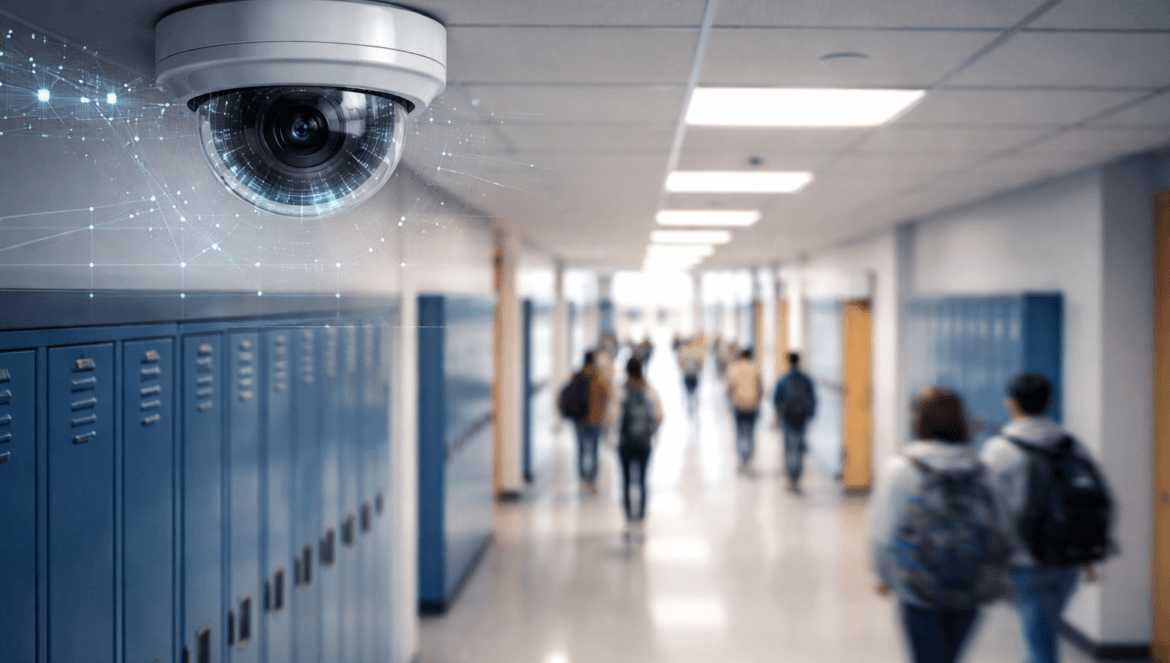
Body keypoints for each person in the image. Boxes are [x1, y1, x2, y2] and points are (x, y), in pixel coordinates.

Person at [870, 387, 1011, 663]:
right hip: (970, 585)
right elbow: (1002, 528)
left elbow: (882, 532)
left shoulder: (901, 467)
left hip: (918, 587)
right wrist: (1000, 578)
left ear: (917, 420)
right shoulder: (982, 470)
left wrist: (884, 576)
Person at [980, 373, 1112, 663]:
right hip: (1069, 560)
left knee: (1041, 648)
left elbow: (987, 512)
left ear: (1011, 405)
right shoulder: (1071, 445)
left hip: (1025, 563)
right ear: (1050, 403)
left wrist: (990, 563)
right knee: (1044, 635)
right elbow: (1089, 499)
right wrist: (1088, 554)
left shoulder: (998, 450)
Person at [616, 356, 663, 523]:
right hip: (644, 442)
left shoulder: (620, 391)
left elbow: (612, 417)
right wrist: (652, 431)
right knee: (642, 479)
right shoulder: (650, 390)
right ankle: (641, 514)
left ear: (627, 370)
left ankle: (629, 513)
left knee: (626, 479)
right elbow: (659, 415)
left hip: (624, 442)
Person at [558, 351, 611, 494]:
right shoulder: (600, 377)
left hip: (579, 419)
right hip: (595, 420)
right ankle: (592, 481)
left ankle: (582, 480)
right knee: (593, 451)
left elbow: (565, 392)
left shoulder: (576, 375)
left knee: (581, 450)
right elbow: (608, 393)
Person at [772, 352, 817, 492]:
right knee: (798, 448)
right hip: (801, 419)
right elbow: (812, 399)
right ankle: (797, 478)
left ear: (788, 362)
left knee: (789, 449)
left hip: (788, 418)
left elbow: (777, 399)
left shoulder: (783, 379)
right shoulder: (806, 379)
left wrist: (778, 416)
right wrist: (809, 415)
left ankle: (791, 479)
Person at [725, 348, 763, 468]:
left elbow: (729, 388)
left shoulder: (734, 368)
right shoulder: (755, 368)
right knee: (750, 432)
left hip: (739, 404)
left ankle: (742, 456)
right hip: (752, 405)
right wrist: (758, 401)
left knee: (740, 432)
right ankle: (748, 456)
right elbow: (761, 388)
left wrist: (730, 400)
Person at [677, 337, 704, 413]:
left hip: (687, 374)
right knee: (694, 391)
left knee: (688, 391)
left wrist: (683, 369)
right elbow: (700, 363)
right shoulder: (696, 351)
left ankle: (690, 405)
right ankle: (693, 404)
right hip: (694, 374)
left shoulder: (683, 352)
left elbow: (680, 362)